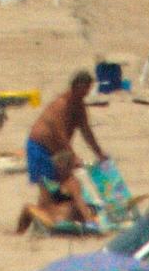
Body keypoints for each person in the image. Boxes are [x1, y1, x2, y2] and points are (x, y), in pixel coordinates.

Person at [26, 71, 108, 213]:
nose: (86, 94)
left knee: (61, 187)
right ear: (75, 87)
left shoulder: (79, 106)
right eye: (84, 90)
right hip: (40, 147)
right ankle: (39, 216)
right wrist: (73, 155)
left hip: (57, 151)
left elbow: (86, 132)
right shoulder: (61, 105)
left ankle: (49, 215)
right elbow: (60, 133)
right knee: (47, 190)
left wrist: (99, 153)